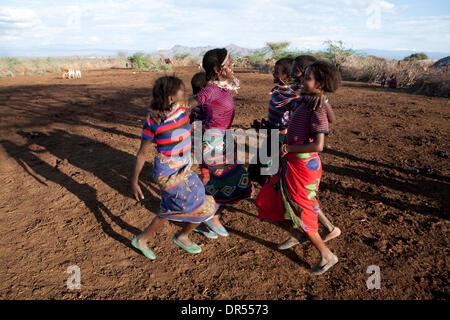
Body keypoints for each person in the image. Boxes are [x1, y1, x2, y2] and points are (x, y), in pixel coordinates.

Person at [255, 60, 341, 275]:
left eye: (308, 78)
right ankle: (298, 233)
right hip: (291, 162)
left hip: (302, 165)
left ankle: (327, 255)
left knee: (303, 211)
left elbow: (319, 145)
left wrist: (288, 147)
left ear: (320, 83)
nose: (302, 79)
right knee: (267, 199)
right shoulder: (307, 100)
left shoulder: (317, 106)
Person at [130, 76, 223, 258]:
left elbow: (203, 96)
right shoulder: (153, 121)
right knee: (198, 205)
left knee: (173, 208)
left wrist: (218, 82)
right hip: (168, 173)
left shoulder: (182, 109)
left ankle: (146, 239)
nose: (186, 93)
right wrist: (134, 181)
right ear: (170, 97)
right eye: (182, 90)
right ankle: (180, 235)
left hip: (184, 169)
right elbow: (142, 153)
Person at [191, 48, 255, 236]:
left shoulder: (222, 87)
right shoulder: (210, 90)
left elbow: (233, 83)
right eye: (228, 65)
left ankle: (207, 216)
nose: (232, 67)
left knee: (229, 180)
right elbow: (188, 104)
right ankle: (206, 217)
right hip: (213, 143)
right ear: (218, 70)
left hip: (223, 141)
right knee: (227, 179)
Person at [190, 72, 209, 184]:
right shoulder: (207, 101)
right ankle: (209, 177)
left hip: (196, 134)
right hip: (205, 133)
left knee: (201, 157)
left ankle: (204, 175)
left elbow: (192, 116)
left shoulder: (195, 100)